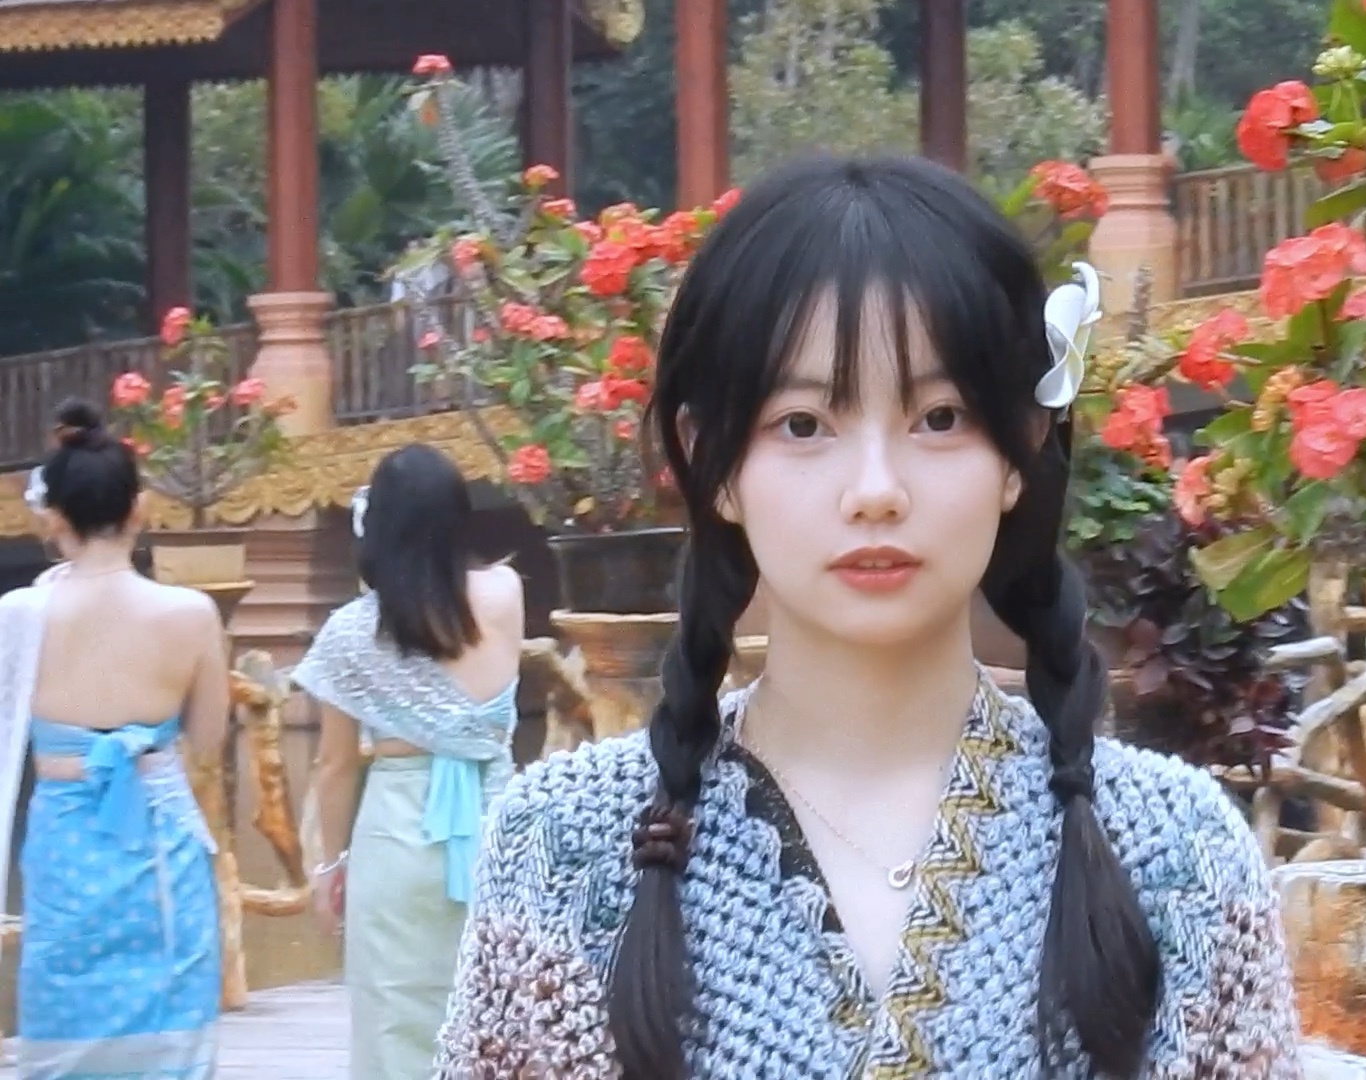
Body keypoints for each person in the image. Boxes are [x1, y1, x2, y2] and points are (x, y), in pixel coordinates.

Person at [435, 156, 1303, 1078]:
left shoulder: (1176, 849)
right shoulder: (566, 846)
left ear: (1023, 446)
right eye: (804, 424)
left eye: (941, 418)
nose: (877, 490)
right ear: (711, 459)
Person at [0, 400, 224, 1077]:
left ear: (53, 517)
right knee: (170, 1031)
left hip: (65, 836)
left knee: (63, 1010)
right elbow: (207, 740)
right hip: (159, 832)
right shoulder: (192, 613)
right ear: (139, 509)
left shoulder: (20, 613)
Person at [293, 443, 524, 1079]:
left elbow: (335, 766)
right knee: (497, 1010)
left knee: (394, 1015)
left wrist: (329, 867)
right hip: (499, 827)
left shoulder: (349, 631)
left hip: (397, 834)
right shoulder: (505, 593)